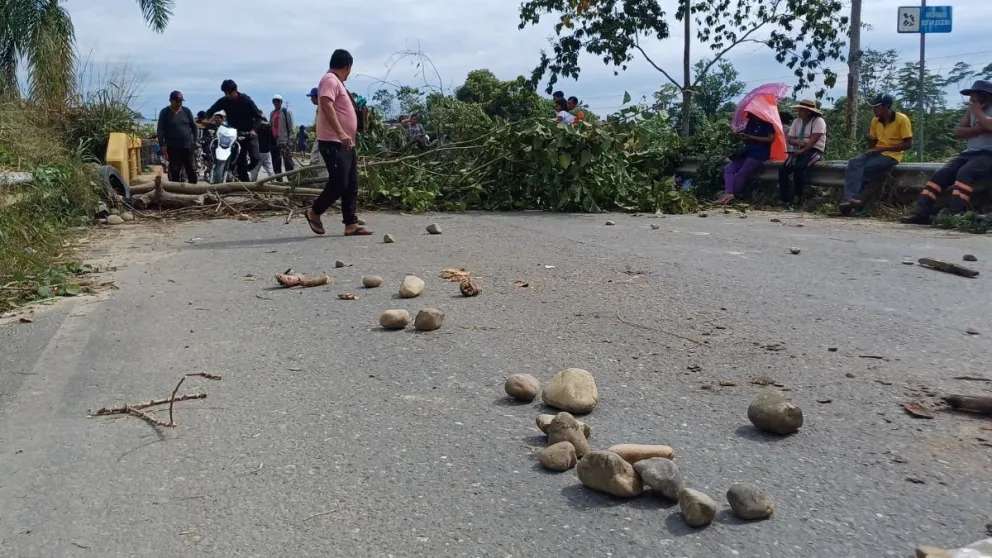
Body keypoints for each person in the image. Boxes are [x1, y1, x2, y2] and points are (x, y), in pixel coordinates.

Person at [901, 80, 992, 224]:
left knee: (965, 173)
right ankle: (921, 213)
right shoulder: (970, 111)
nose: (971, 99)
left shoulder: (978, 110)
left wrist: (979, 113)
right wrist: (980, 128)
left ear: (985, 96)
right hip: (969, 153)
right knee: (940, 176)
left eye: (974, 96)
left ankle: (955, 214)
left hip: (988, 154)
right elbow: (958, 132)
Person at [303, 49, 372, 236]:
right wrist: (341, 133)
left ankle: (351, 223)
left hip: (345, 142)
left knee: (351, 183)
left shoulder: (337, 83)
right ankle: (314, 212)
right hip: (333, 141)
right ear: (348, 66)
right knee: (339, 182)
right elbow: (326, 104)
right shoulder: (330, 80)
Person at [837, 94, 913, 215]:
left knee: (866, 169)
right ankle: (851, 198)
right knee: (854, 162)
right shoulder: (875, 121)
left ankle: (851, 204)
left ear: (887, 106)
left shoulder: (901, 119)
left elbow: (908, 144)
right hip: (876, 152)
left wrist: (884, 148)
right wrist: (870, 141)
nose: (874, 110)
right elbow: (873, 144)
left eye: (877, 107)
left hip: (891, 156)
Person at [206, 79, 263, 181]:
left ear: (235, 90)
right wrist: (206, 118)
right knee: (240, 162)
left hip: (249, 134)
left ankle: (246, 170)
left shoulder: (246, 101)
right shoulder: (224, 101)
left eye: (229, 93)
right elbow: (211, 110)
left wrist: (254, 130)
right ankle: (244, 184)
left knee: (255, 158)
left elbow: (259, 117)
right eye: (225, 93)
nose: (227, 95)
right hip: (234, 134)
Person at [715, 113, 775, 205]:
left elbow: (771, 139)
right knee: (729, 168)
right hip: (747, 151)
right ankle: (728, 193)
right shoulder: (751, 122)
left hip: (759, 153)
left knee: (743, 172)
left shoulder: (767, 123)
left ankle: (732, 194)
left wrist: (752, 137)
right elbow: (747, 136)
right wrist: (743, 137)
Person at [778, 99, 826, 206]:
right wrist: (798, 143)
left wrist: (802, 150)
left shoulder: (818, 121)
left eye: (801, 110)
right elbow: (790, 138)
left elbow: (813, 140)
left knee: (799, 168)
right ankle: (784, 198)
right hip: (797, 149)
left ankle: (797, 197)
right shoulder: (797, 121)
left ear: (808, 111)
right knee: (783, 170)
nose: (798, 112)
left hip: (813, 150)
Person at [156, 91, 198, 183]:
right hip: (173, 147)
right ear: (170, 101)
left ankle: (194, 190)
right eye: (177, 101)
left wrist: (195, 141)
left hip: (188, 146)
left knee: (191, 169)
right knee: (175, 170)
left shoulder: (186, 111)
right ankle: (176, 192)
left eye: (180, 101)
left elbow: (194, 127)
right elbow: (160, 130)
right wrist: (162, 145)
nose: (179, 104)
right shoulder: (165, 112)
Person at [270, 94, 295, 177]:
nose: (276, 103)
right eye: (274, 101)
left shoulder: (286, 112)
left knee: (288, 163)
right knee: (276, 163)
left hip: (284, 141)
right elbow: (271, 126)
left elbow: (291, 128)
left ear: (281, 102)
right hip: (275, 141)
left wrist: (290, 141)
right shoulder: (272, 113)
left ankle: (291, 179)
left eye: (278, 101)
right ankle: (278, 180)